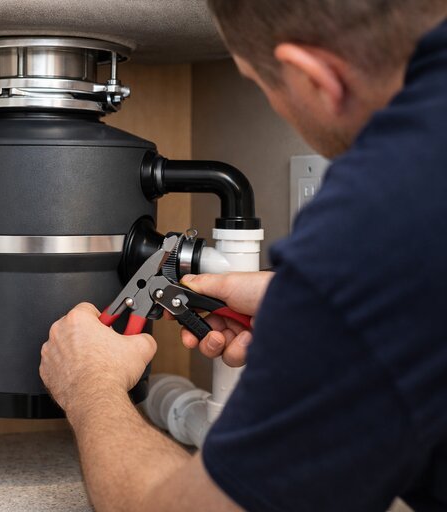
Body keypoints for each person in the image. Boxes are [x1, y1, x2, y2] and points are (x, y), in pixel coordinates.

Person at [39, 1, 447, 510]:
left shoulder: (375, 222)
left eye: (262, 84)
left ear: (313, 77)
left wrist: (89, 386)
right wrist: (299, 300)